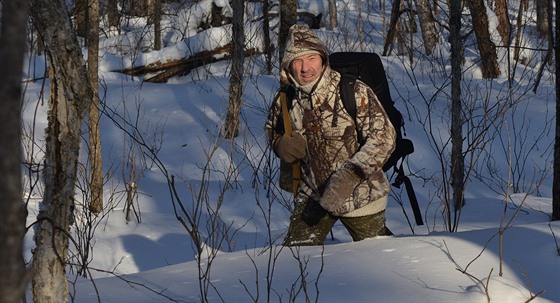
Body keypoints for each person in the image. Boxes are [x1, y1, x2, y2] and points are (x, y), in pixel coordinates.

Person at [265, 25, 397, 246]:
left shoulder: (353, 90)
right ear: (288, 67)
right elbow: (272, 128)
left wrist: (350, 176)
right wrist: (280, 144)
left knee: (379, 260)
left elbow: (384, 138)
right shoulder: (285, 99)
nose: (305, 68)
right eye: (297, 61)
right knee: (296, 257)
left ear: (323, 60)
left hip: (361, 191)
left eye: (311, 58)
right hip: (312, 191)